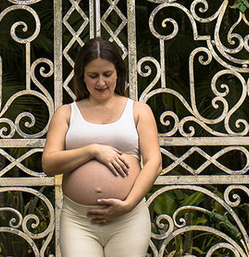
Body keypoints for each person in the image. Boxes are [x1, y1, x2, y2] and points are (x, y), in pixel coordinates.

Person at [42, 38, 161, 257]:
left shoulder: (138, 111)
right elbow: (49, 163)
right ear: (82, 75)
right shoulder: (66, 113)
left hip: (128, 219)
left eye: (107, 74)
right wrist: (92, 150)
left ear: (118, 72)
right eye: (93, 76)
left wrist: (128, 205)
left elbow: (154, 163)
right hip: (79, 221)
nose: (101, 83)